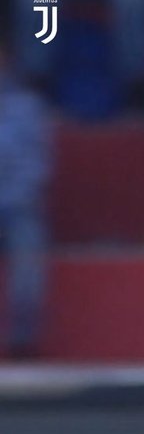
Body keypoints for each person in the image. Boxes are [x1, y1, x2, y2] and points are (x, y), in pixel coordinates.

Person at [0, 34, 51, 359]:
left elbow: (38, 166)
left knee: (30, 243)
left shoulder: (26, 106)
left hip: (16, 206)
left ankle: (23, 338)